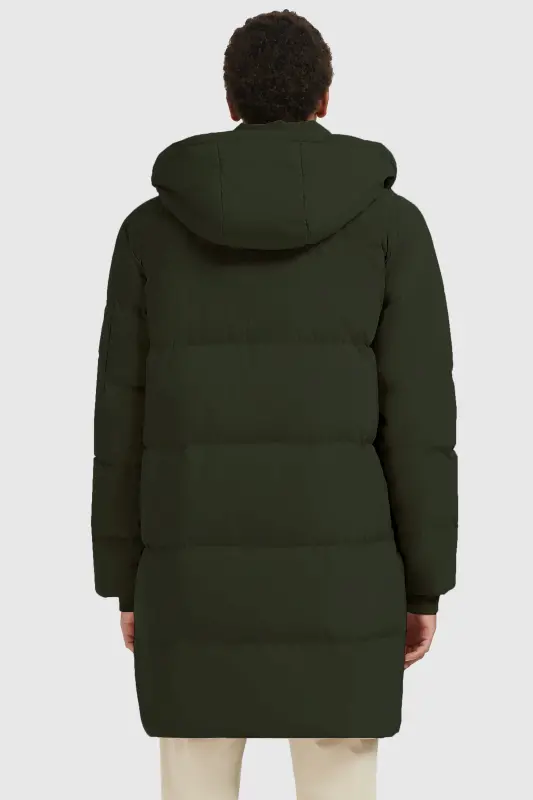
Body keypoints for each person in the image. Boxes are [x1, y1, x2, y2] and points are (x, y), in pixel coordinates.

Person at [91, 10, 457, 799]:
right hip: (344, 584)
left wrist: (125, 579)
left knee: (193, 771)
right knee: (338, 775)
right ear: (324, 97)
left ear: (230, 100)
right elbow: (420, 423)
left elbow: (119, 419)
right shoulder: (391, 228)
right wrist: (422, 584)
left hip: (189, 577)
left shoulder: (149, 233)